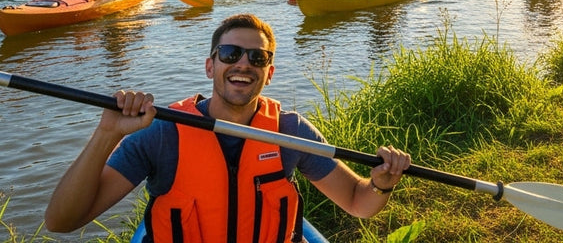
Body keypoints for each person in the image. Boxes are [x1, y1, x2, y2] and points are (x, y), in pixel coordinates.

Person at [44, 14, 411, 241]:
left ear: (269, 72)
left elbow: (358, 202)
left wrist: (381, 183)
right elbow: (62, 221)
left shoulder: (290, 132)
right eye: (230, 54)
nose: (243, 64)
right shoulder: (163, 133)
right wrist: (107, 133)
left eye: (257, 57)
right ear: (211, 66)